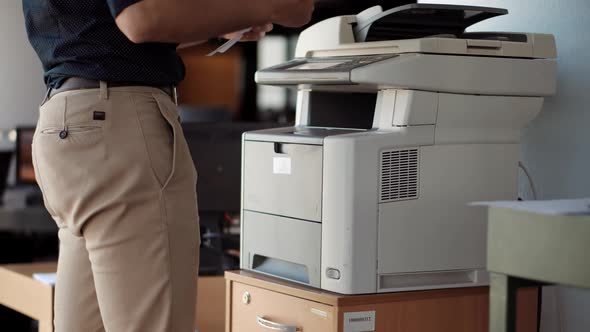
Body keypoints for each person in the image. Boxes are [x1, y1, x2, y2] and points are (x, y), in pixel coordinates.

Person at [21, 1, 314, 331]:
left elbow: (107, 32)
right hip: (117, 126)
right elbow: (141, 18)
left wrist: (219, 22)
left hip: (68, 120)